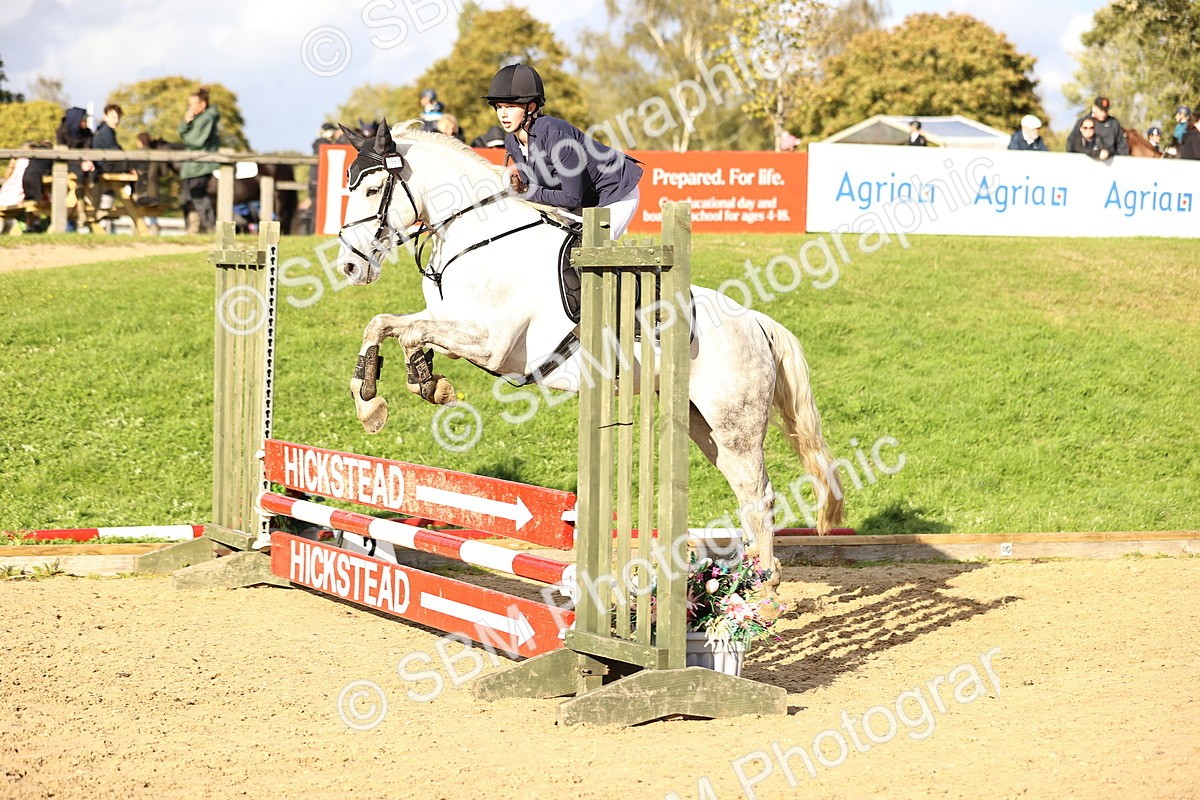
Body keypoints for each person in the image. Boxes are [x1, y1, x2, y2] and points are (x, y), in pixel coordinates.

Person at [483, 63, 642, 240]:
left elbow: (571, 198)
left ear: (531, 107)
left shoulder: (555, 134)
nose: (503, 114)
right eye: (499, 107)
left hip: (616, 192)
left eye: (510, 107)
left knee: (592, 247)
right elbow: (536, 194)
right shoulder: (512, 142)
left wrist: (525, 190)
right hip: (585, 199)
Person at [179, 86, 220, 234]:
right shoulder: (199, 118)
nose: (190, 108)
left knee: (200, 199)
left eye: (193, 105)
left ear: (202, 105)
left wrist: (186, 126)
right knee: (188, 200)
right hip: (192, 166)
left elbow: (195, 140)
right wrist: (186, 123)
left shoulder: (206, 119)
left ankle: (210, 229)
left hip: (201, 166)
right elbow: (185, 136)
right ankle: (193, 230)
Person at [55, 107, 94, 230]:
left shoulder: (87, 133)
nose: (86, 123)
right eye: (84, 120)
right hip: (66, 164)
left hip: (84, 163)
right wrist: (80, 162)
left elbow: (89, 149)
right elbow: (62, 154)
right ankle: (82, 210)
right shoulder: (61, 131)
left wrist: (87, 161)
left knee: (92, 174)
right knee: (79, 175)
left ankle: (92, 208)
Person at [1074, 96, 1128, 160]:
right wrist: (1097, 154)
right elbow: (1074, 145)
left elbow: (1121, 145)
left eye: (1105, 110)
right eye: (1101, 110)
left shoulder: (1113, 123)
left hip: (1109, 163)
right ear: (1094, 108)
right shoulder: (1085, 123)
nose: (1103, 113)